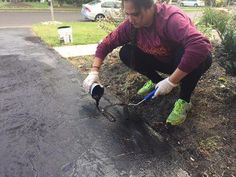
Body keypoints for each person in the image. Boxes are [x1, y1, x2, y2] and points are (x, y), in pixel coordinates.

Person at [83, 0, 212, 126]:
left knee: (200, 56)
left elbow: (200, 45)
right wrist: (94, 71)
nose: (130, 19)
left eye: (135, 14)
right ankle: (157, 81)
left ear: (150, 7)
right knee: (126, 52)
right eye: (127, 14)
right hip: (161, 60)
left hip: (182, 63)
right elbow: (107, 43)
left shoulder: (170, 19)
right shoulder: (131, 25)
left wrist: (171, 81)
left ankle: (184, 100)